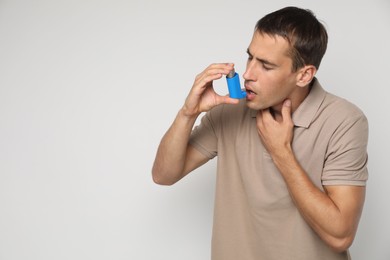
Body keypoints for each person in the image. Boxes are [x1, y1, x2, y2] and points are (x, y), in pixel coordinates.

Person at [152, 6, 368, 260]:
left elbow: (340, 235)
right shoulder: (230, 112)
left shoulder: (345, 121)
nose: (248, 74)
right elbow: (163, 175)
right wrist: (188, 113)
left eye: (266, 66)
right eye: (250, 58)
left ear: (304, 75)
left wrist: (281, 152)